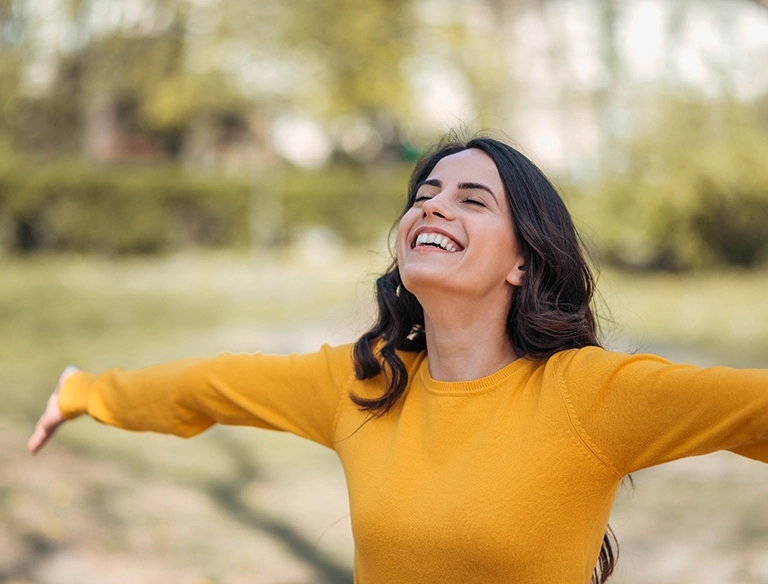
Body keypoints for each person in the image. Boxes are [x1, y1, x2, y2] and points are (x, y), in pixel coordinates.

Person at [28, 135, 768, 584]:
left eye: (473, 200)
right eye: (425, 193)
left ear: (522, 260)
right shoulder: (365, 384)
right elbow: (212, 387)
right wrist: (88, 391)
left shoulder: (586, 394)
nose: (433, 206)